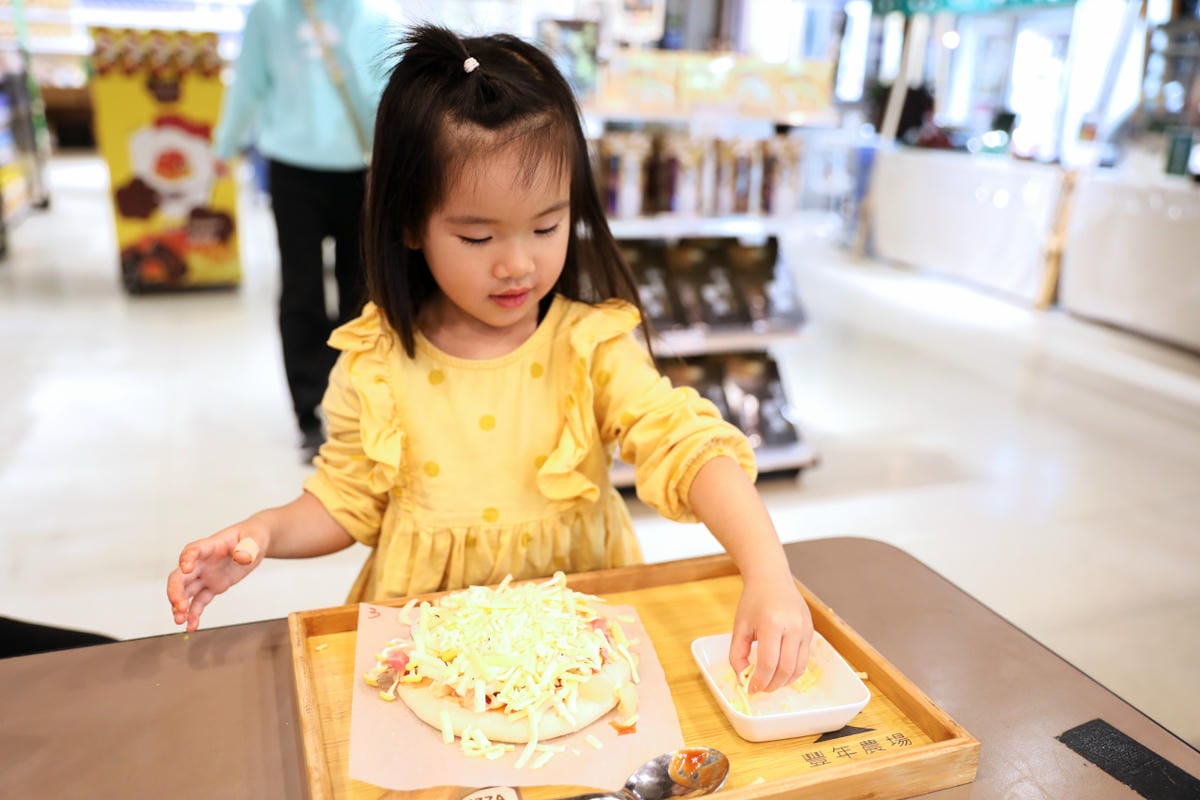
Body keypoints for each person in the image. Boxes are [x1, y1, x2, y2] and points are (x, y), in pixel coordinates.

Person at [169, 25, 813, 694]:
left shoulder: (588, 348)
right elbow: (346, 501)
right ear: (411, 224)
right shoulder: (379, 362)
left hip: (573, 644)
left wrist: (768, 573)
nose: (517, 264)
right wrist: (265, 533)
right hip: (430, 658)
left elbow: (689, 447)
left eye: (546, 226)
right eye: (477, 236)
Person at [212, 0, 395, 461]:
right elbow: (249, 85)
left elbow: (386, 101)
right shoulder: (269, 15)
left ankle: (357, 397)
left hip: (360, 168)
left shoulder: (374, 20)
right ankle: (308, 410)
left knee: (364, 290)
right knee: (302, 291)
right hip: (293, 168)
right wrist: (226, 145)